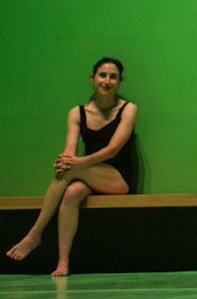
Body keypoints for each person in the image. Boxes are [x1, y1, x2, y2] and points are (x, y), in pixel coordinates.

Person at [7, 57, 139, 276]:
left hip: (118, 179)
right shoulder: (77, 113)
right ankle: (62, 262)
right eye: (102, 75)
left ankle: (35, 234)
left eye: (113, 77)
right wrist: (64, 162)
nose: (107, 81)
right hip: (87, 175)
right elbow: (70, 149)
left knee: (71, 169)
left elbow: (113, 149)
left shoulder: (128, 109)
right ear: (92, 79)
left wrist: (77, 163)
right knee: (71, 193)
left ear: (120, 81)